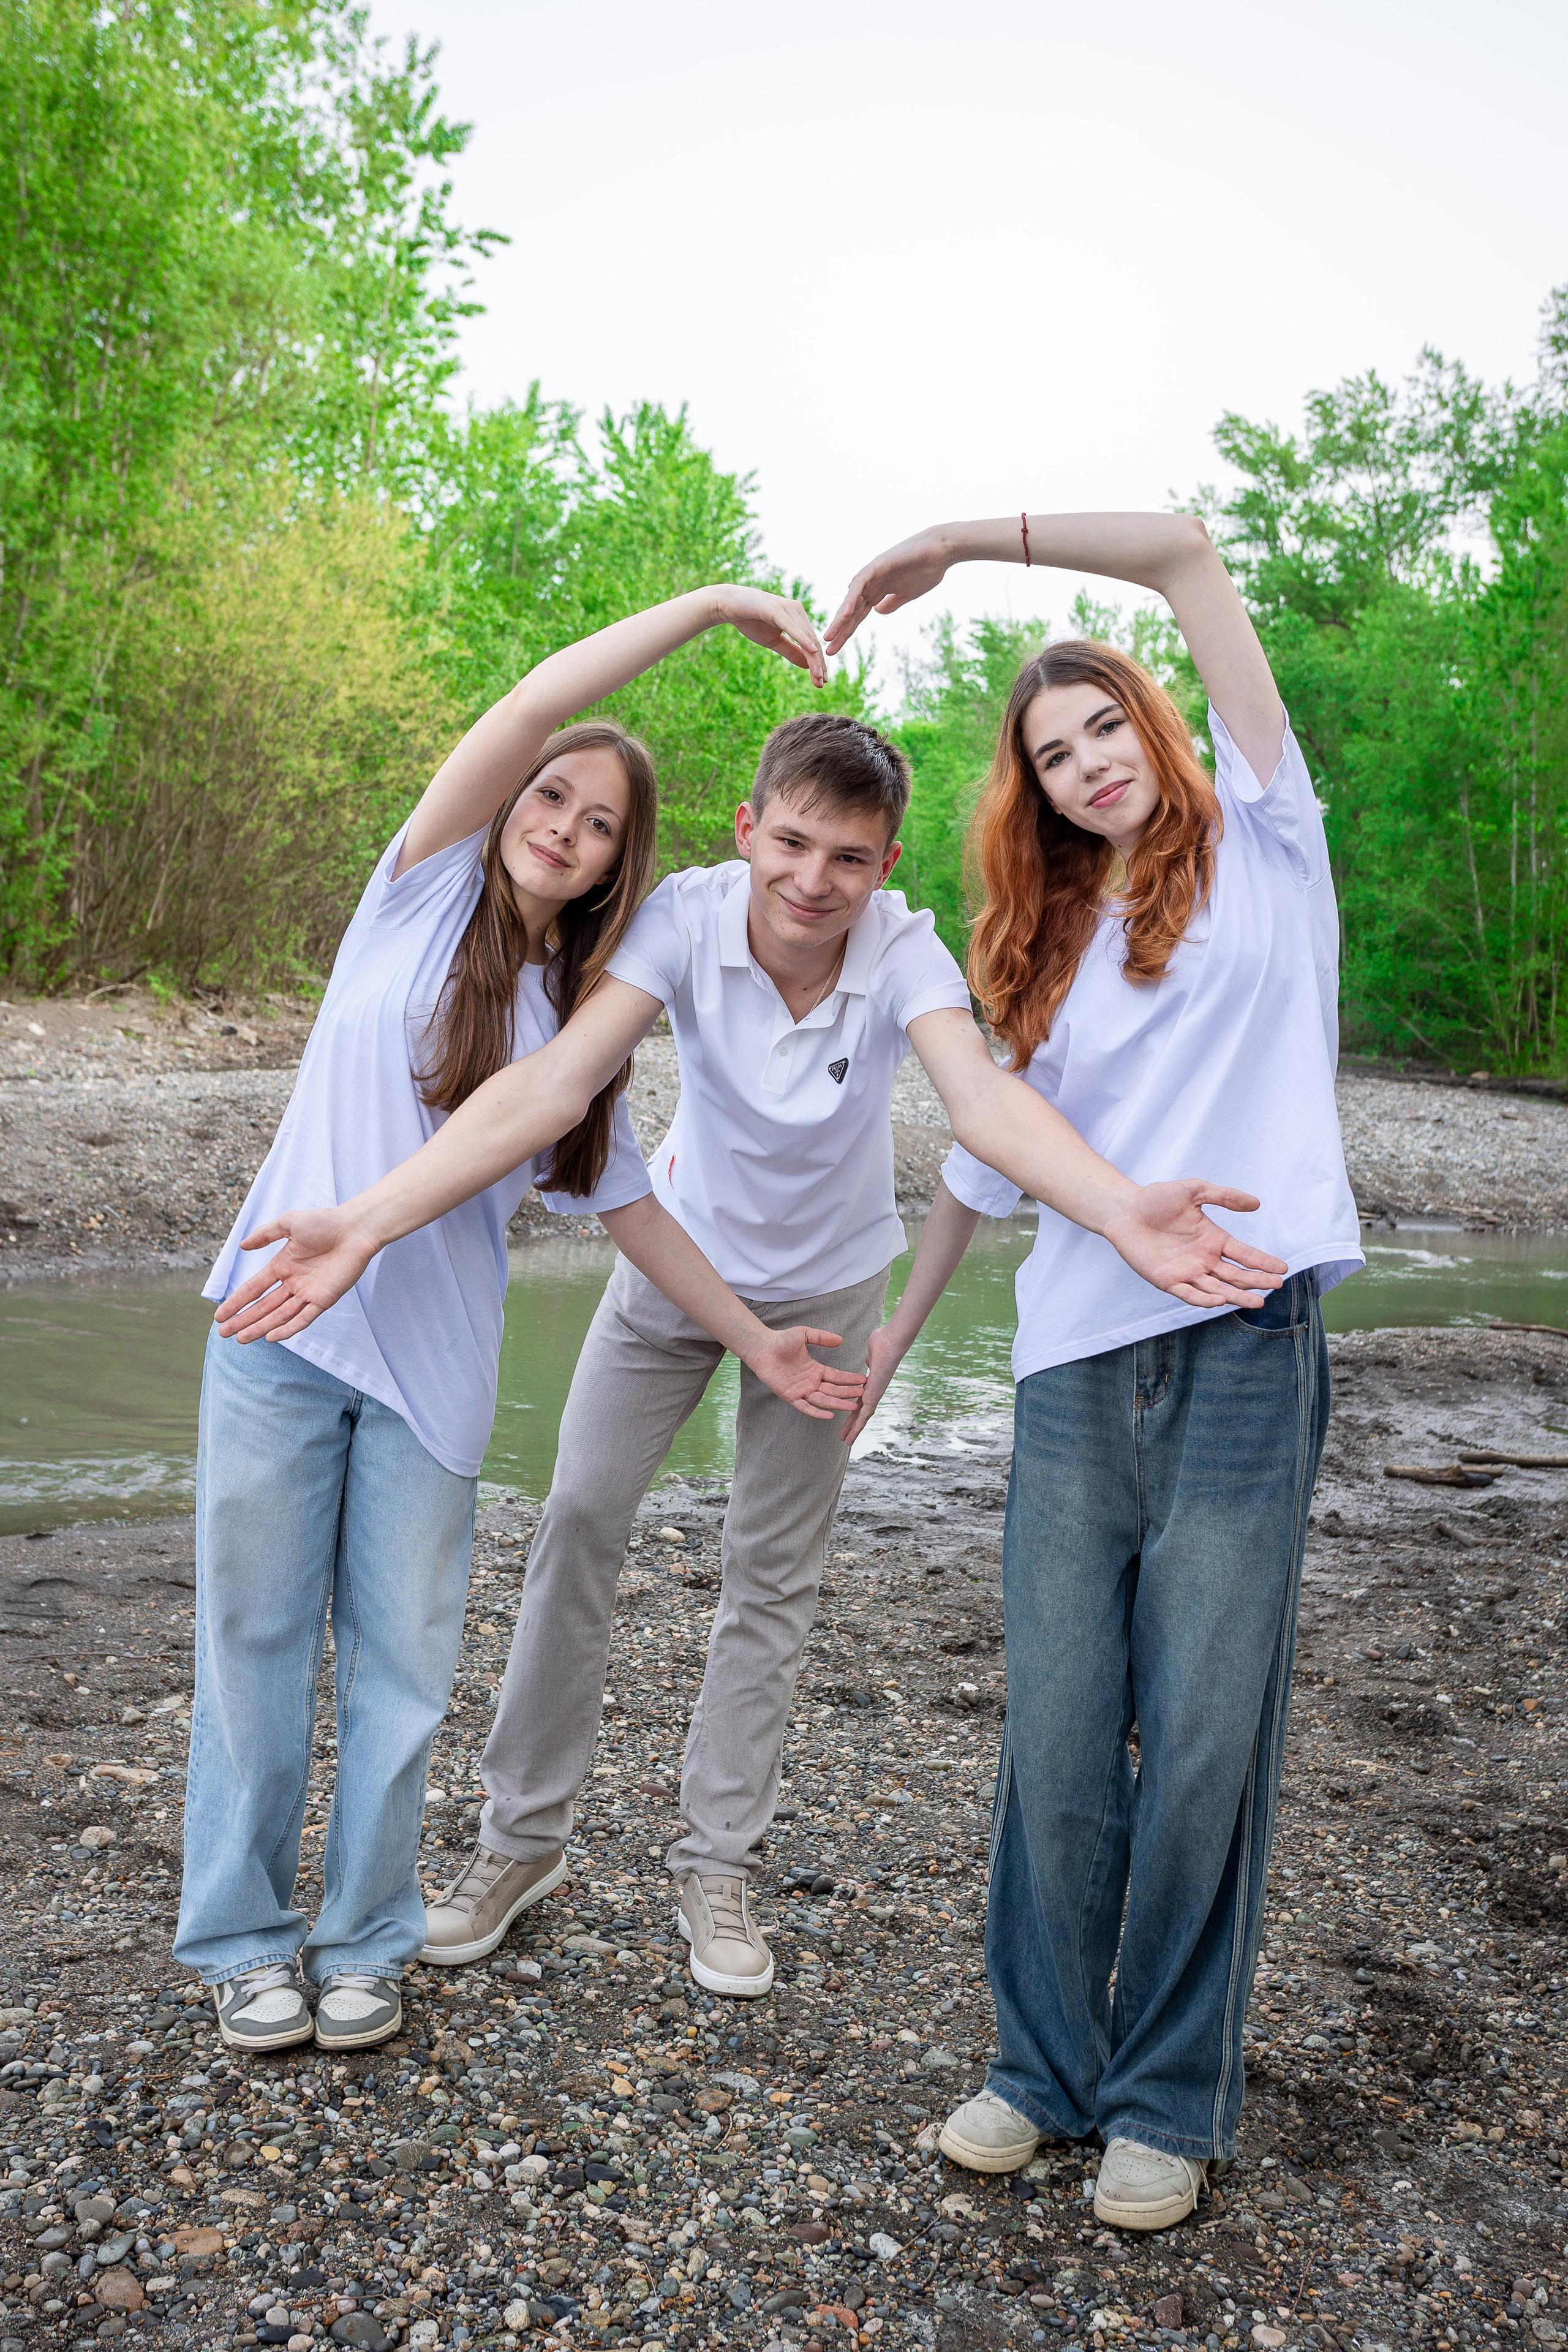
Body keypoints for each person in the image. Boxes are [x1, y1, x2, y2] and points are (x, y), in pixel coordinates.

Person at [217, 646, 1286, 2007]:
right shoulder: (679, 917)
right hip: (671, 1272)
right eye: (791, 842)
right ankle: (515, 1847)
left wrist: (1117, 1205)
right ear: (748, 830)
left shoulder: (901, 948)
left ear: (884, 861)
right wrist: (364, 1219)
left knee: (767, 1581)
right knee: (575, 1525)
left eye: (847, 857)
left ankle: (712, 1863)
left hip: (829, 1294)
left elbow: (977, 1106)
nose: (811, 880)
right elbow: (552, 1090)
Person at [179, 585, 872, 2058]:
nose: (563, 821)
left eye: (602, 822)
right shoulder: (413, 888)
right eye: (551, 795)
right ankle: (243, 1942)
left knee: (402, 1666)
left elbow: (636, 1216)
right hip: (278, 1325)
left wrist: (755, 1342)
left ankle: (365, 1937)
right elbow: (536, 699)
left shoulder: (580, 1026)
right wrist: (706, 610)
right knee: (251, 1638)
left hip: (431, 1380)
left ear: (621, 861)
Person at [824, 510, 1363, 2228]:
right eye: (1051, 756)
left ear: (1160, 719)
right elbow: (988, 1170)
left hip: (1247, 1348)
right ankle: (1037, 2069)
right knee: (1058, 1737)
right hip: (1071, 1371)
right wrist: (890, 1350)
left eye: (1104, 727)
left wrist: (961, 542)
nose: (1083, 767)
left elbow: (1196, 553)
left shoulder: (1277, 843)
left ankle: (1165, 2099)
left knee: (1207, 1739)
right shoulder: (1036, 941)